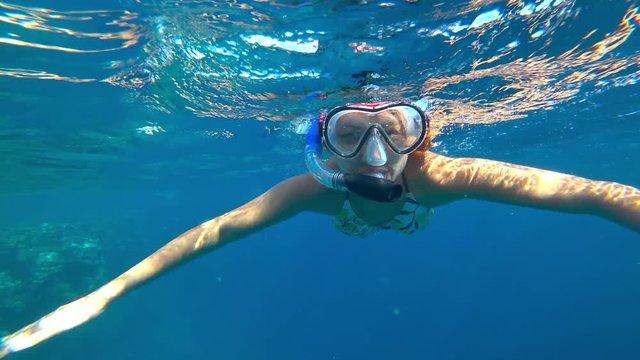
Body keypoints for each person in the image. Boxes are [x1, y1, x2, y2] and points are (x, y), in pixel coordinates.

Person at [1, 101, 638, 358]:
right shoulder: (308, 193)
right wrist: (100, 296)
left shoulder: (444, 176)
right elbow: (214, 233)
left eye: (394, 129)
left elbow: (596, 196)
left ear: (422, 136)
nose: (377, 151)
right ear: (323, 146)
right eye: (351, 133)